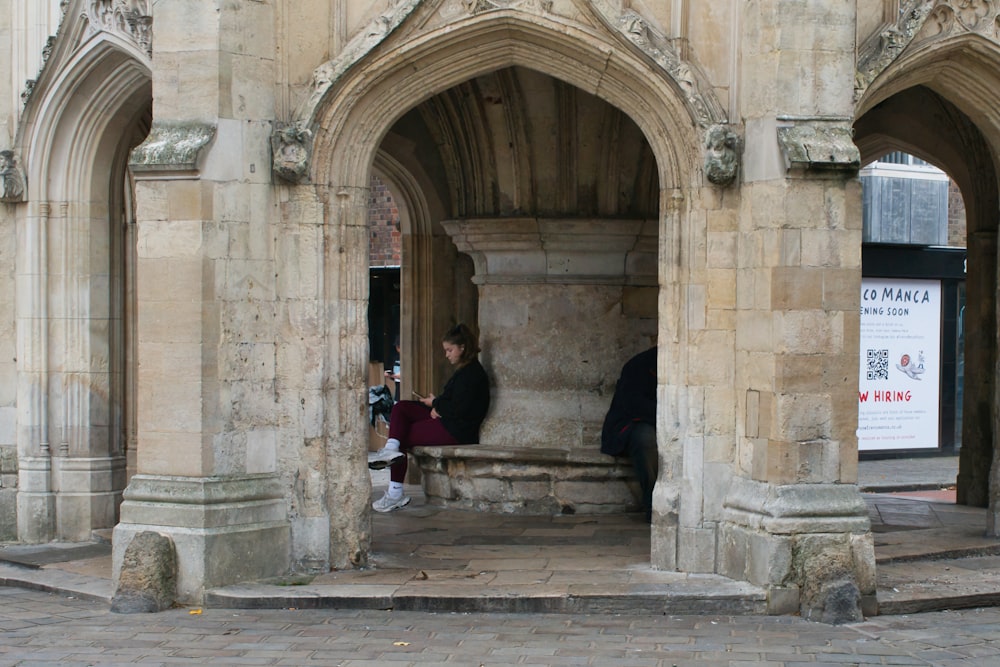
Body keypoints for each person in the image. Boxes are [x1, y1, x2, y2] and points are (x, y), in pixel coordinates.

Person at [367, 323, 491, 512]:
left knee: (403, 436)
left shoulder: (472, 374)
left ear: (462, 348)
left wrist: (437, 406)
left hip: (456, 428)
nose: (447, 354)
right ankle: (390, 448)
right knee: (401, 407)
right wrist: (435, 404)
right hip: (446, 418)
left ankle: (395, 492)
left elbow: (461, 408)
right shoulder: (465, 370)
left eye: (450, 350)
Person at [601, 346, 657, 521]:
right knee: (646, 439)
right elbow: (634, 404)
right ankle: (653, 502)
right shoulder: (639, 365)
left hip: (664, 423)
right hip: (635, 425)